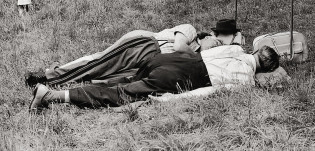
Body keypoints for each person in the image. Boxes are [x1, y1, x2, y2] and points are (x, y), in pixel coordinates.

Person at [29, 43, 280, 110]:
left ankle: (82, 82)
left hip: (172, 59)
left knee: (127, 81)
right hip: (184, 76)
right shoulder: (246, 82)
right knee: (123, 94)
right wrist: (170, 100)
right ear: (266, 70)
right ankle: (52, 95)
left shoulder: (236, 49)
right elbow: (209, 91)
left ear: (256, 51)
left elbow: (204, 53)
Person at [24, 24, 221, 88]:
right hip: (144, 45)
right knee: (99, 63)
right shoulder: (191, 31)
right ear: (209, 36)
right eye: (217, 42)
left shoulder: (198, 55)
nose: (216, 46)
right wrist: (197, 56)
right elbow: (178, 46)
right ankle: (46, 77)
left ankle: (58, 73)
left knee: (105, 76)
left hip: (149, 59)